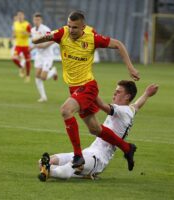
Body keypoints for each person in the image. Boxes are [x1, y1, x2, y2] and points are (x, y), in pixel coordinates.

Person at [32, 11, 140, 170]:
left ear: (83, 27)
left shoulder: (92, 38)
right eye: (69, 26)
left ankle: (78, 156)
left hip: (88, 86)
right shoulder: (62, 33)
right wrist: (44, 37)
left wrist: (130, 67)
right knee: (95, 129)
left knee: (65, 110)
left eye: (75, 27)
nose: (71, 30)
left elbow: (118, 44)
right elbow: (35, 41)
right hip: (75, 88)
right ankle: (127, 148)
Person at [38, 81, 159, 181]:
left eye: (118, 92)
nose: (114, 94)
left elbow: (102, 105)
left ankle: (54, 172)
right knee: (43, 162)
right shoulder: (130, 110)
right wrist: (147, 94)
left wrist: (89, 88)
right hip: (88, 152)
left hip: (99, 158)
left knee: (70, 168)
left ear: (127, 96)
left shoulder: (122, 111)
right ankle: (66, 172)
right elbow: (137, 105)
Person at [30, 13, 57, 102]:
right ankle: (43, 97)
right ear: (33, 20)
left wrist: (45, 45)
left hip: (48, 56)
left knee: (43, 77)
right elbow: (36, 42)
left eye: (38, 20)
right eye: (35, 20)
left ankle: (53, 71)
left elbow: (53, 39)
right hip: (39, 56)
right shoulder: (32, 30)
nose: (36, 21)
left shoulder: (45, 29)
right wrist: (32, 48)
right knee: (37, 76)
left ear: (41, 21)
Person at [12, 11, 32, 83]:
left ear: (24, 16)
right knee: (14, 58)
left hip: (26, 45)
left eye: (21, 15)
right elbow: (14, 32)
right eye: (18, 15)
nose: (20, 16)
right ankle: (21, 67)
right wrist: (13, 36)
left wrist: (26, 33)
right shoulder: (15, 23)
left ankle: (27, 76)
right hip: (18, 45)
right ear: (17, 16)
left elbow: (30, 34)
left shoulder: (27, 24)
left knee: (27, 61)